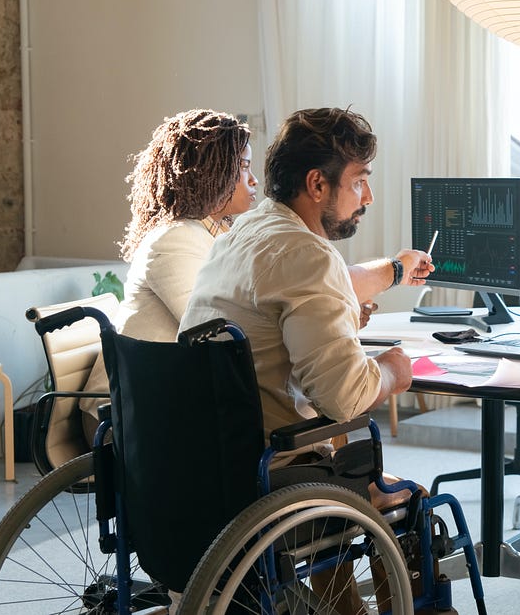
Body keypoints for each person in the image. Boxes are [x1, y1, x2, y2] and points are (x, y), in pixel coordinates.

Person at [179, 106, 432, 437]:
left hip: (208, 457)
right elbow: (346, 399)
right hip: (275, 468)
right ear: (317, 184)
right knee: (419, 492)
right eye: (359, 182)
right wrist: (390, 370)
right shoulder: (310, 256)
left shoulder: (243, 230)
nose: (368, 198)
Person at [80, 109, 257, 439]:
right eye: (244, 167)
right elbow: (210, 330)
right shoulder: (174, 239)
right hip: (119, 415)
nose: (254, 179)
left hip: (161, 395)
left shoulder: (213, 235)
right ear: (211, 172)